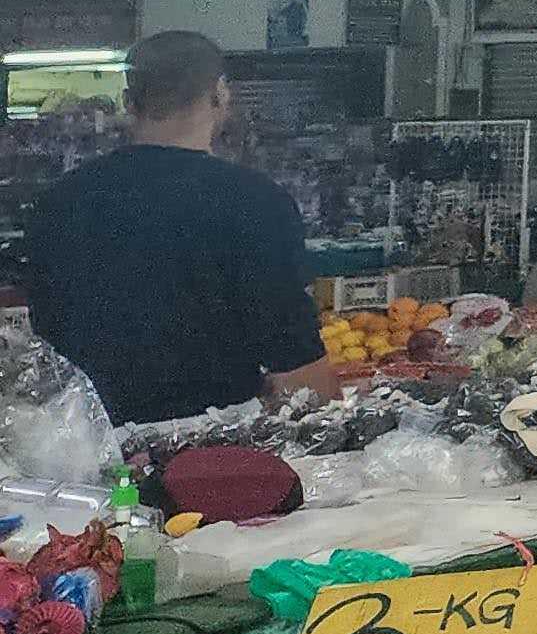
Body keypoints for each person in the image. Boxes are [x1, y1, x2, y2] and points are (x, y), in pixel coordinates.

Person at [24, 31, 330, 422]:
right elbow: (298, 366)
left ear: (128, 103)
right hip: (210, 459)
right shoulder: (257, 201)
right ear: (221, 95)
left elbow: (48, 342)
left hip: (84, 449)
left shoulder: (58, 201)